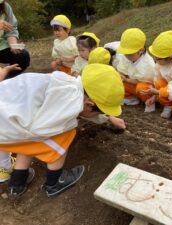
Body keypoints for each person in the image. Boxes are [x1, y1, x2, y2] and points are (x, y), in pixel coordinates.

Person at [0, 63, 124, 197]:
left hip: (8, 119)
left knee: (32, 135)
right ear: (89, 103)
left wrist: (107, 118)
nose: (95, 116)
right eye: (96, 113)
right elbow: (39, 131)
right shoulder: (71, 102)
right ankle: (54, 182)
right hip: (6, 127)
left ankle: (17, 182)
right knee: (65, 132)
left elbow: (31, 128)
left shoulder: (67, 84)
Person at [116, 28, 156, 113]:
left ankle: (149, 102)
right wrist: (120, 76)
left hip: (143, 85)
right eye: (125, 53)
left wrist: (126, 79)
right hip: (131, 82)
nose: (126, 56)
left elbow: (140, 81)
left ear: (141, 50)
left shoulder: (147, 64)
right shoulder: (127, 57)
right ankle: (131, 98)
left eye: (129, 53)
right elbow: (121, 69)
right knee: (117, 82)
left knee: (142, 88)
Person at [0, 0, 30, 79]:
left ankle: (5, 81)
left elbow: (11, 30)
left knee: (23, 56)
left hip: (1, 46)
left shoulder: (6, 7)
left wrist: (13, 45)